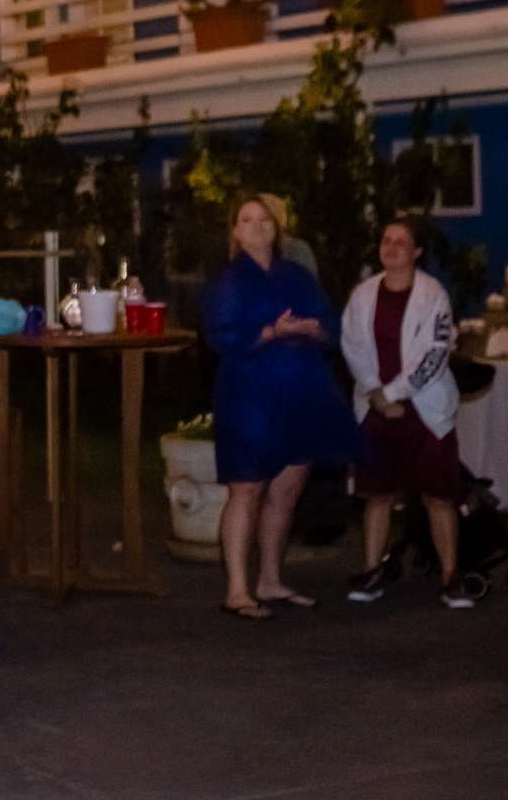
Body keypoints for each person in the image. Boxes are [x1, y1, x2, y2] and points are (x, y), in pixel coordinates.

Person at [201, 193, 361, 620]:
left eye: (264, 220)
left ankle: (270, 579)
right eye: (247, 220)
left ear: (277, 227)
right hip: (250, 396)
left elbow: (330, 321)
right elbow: (220, 333)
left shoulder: (297, 275)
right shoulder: (229, 280)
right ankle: (237, 588)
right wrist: (270, 332)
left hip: (300, 391)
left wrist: (314, 328)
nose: (257, 227)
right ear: (235, 231)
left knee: (286, 493)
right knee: (247, 489)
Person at [340, 216, 470, 609]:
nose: (392, 247)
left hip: (424, 408)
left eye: (401, 242)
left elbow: (434, 353)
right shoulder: (362, 295)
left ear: (416, 252)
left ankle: (451, 575)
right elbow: (352, 345)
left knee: (438, 495)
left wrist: (396, 392)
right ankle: (372, 569)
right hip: (376, 408)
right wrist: (378, 396)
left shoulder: (434, 295)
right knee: (377, 494)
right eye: (386, 240)